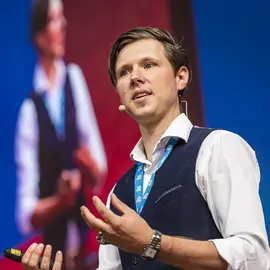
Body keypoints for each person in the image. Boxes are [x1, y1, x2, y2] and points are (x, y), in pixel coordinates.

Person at [21, 27, 270, 270]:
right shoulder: (118, 193)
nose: (135, 77)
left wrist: (153, 243)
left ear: (180, 77)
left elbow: (255, 257)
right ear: (120, 97)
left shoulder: (218, 148)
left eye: (148, 65)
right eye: (124, 72)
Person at [14, 0, 107, 268]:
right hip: (54, 260)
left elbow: (98, 169)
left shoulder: (74, 79)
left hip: (85, 252)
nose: (64, 24)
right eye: (56, 19)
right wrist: (58, 201)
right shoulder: (29, 113)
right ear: (41, 36)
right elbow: (25, 215)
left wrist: (89, 168)